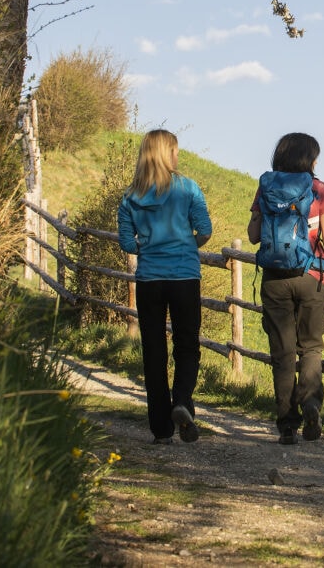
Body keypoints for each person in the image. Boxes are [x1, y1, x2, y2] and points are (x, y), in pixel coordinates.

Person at [117, 129, 212, 444]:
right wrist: (187, 244)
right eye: (175, 151)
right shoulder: (188, 188)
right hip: (184, 277)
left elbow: (126, 243)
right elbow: (205, 230)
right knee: (187, 345)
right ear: (165, 153)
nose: (177, 156)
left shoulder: (131, 196)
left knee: (154, 350)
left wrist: (147, 248)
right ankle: (182, 402)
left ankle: (160, 428)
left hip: (149, 281)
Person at [248, 132, 324, 444]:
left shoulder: (266, 186)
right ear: (309, 159)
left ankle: (287, 424)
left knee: (283, 353)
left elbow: (253, 235)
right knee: (312, 346)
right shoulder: (320, 189)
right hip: (313, 277)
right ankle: (312, 403)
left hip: (275, 278)